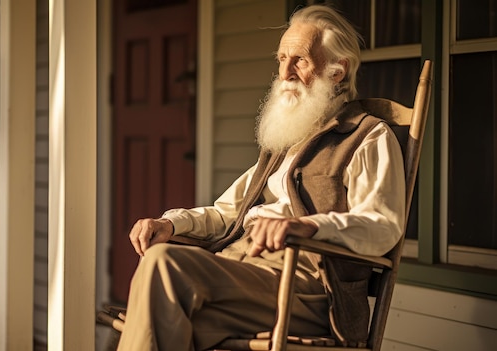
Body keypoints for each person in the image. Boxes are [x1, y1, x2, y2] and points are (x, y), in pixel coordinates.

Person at [116, 4, 405, 351]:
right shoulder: (287, 142)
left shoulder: (366, 137)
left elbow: (383, 225)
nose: (285, 73)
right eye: (281, 58)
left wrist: (311, 226)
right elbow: (227, 213)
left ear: (337, 70)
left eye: (299, 60)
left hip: (307, 287)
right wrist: (171, 224)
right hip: (240, 272)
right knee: (165, 313)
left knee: (162, 264)